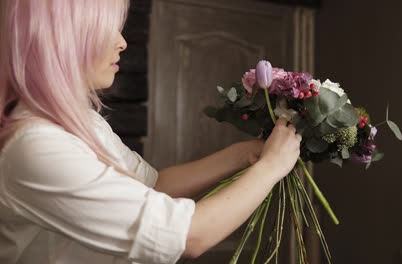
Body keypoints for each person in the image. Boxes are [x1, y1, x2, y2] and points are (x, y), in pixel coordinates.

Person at [0, 1, 301, 263]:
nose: (122, 43)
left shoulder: (81, 122)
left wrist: (241, 154)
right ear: (64, 40)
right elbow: (191, 236)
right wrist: (271, 166)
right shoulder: (38, 146)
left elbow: (153, 185)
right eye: (107, 30)